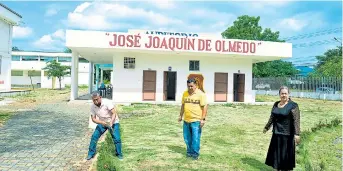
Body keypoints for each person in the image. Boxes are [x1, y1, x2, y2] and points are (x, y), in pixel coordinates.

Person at [263, 86, 301, 171]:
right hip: (276, 132)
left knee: (285, 154)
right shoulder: (276, 104)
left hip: (287, 134)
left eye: (285, 93)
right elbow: (272, 117)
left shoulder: (293, 105)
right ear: (279, 94)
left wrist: (297, 134)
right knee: (276, 153)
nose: (284, 95)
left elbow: (296, 120)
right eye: (282, 93)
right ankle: (276, 168)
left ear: (288, 94)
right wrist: (267, 127)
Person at [86, 91, 123, 160]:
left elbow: (114, 113)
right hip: (102, 122)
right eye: (94, 100)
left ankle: (119, 155)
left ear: (100, 97)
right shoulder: (93, 107)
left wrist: (111, 123)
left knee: (117, 138)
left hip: (113, 121)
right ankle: (91, 154)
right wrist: (102, 123)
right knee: (94, 137)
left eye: (97, 99)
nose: (95, 101)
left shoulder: (107, 103)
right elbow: (93, 119)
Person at [178, 78, 207, 160]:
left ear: (196, 85)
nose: (190, 88)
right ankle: (189, 152)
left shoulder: (201, 94)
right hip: (186, 120)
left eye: (191, 86)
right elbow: (183, 105)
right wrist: (180, 115)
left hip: (196, 121)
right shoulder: (185, 93)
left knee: (195, 138)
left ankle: (195, 154)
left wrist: (203, 119)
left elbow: (205, 106)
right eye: (188, 86)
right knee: (187, 137)